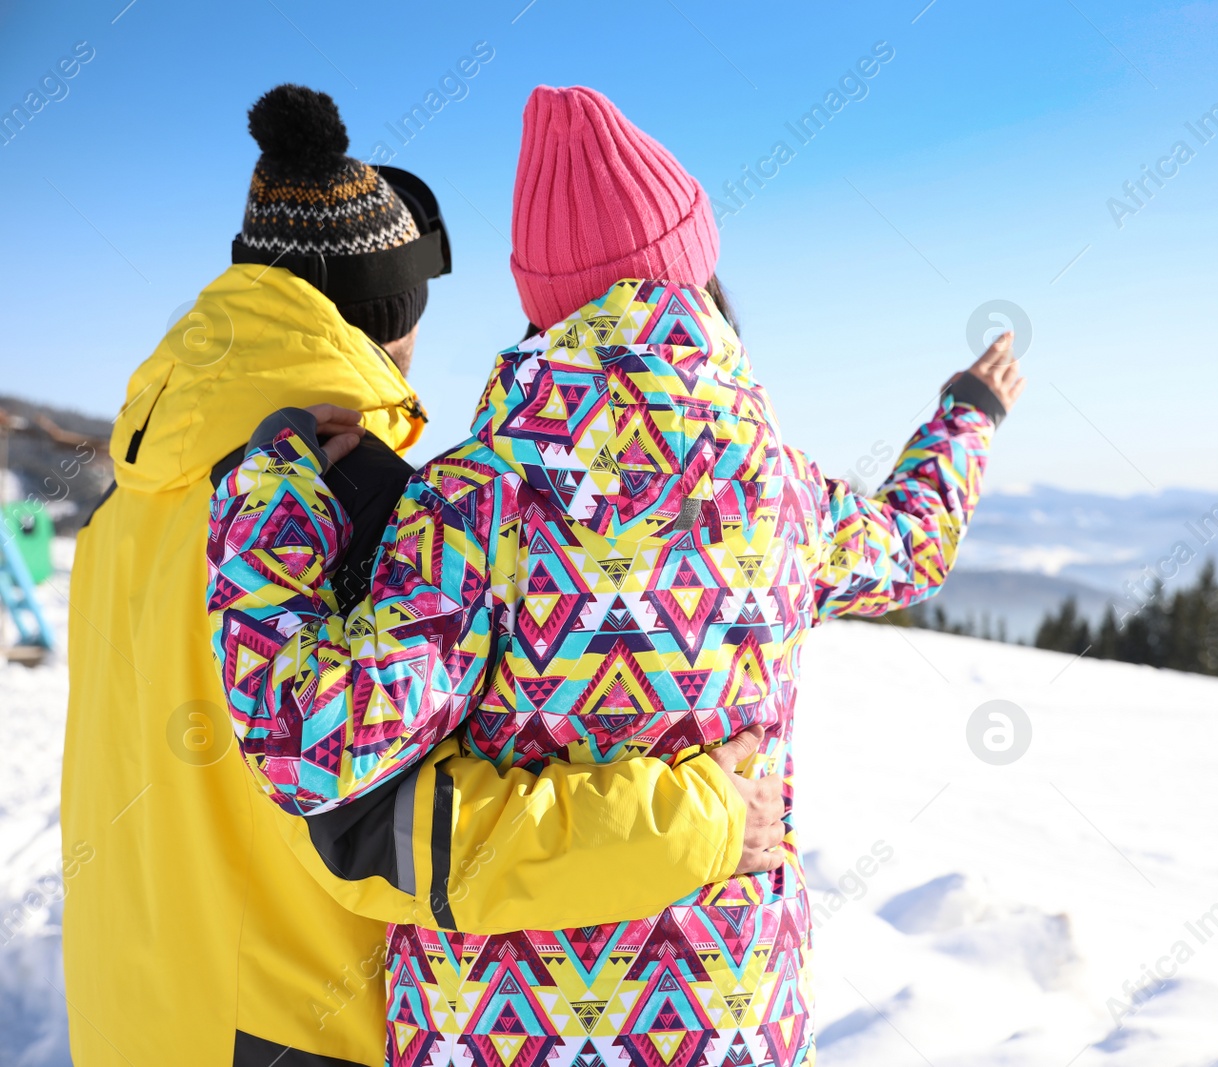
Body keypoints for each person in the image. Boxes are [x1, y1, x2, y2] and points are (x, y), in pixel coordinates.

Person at [207, 84, 1024, 1065]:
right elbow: (910, 543)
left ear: (538, 299)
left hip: (494, 1029)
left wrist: (274, 493)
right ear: (696, 277)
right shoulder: (782, 491)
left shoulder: (476, 502)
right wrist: (967, 414)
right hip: (726, 1017)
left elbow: (311, 746)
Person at [63, 84, 776, 1067]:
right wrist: (698, 824)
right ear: (395, 317)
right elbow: (392, 835)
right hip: (293, 1030)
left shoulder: (128, 500)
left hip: (129, 1009)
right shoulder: (352, 506)